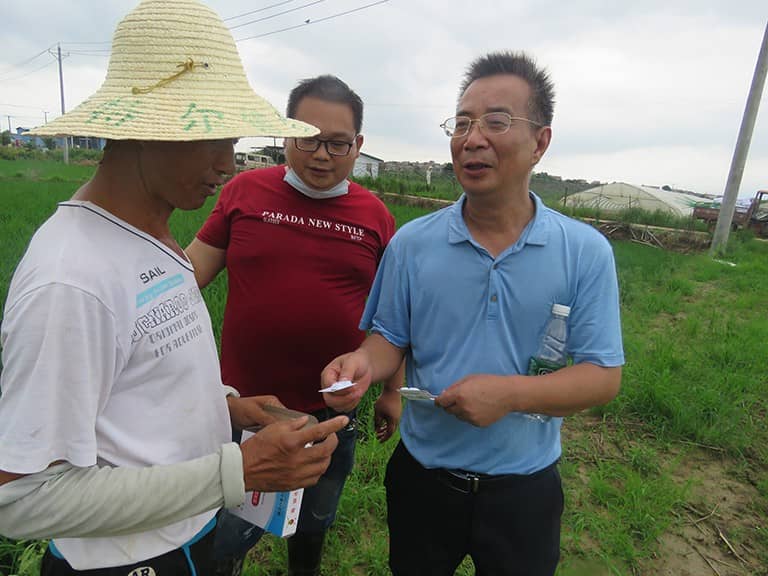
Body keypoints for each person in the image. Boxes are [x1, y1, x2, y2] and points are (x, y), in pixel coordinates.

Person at [0, 1, 349, 574]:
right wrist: (238, 471)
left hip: (188, 536)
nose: (228, 163)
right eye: (211, 138)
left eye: (233, 140)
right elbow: (22, 497)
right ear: (141, 130)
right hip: (125, 561)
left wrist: (227, 407)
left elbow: (139, 384)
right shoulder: (72, 280)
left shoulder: (154, 236)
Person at [321, 51, 625, 576]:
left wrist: (509, 395)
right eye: (461, 123)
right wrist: (362, 364)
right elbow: (389, 337)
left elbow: (602, 375)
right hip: (423, 477)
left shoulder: (584, 251)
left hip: (525, 489)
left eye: (496, 121)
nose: (472, 138)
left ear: (540, 142)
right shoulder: (413, 243)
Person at [186, 74, 405, 576]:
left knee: (313, 525)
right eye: (308, 138)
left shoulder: (374, 216)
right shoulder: (244, 192)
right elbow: (188, 275)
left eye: (337, 143)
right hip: (241, 410)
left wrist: (394, 390)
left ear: (358, 145)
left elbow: (393, 317)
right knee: (223, 536)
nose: (322, 155)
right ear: (286, 134)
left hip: (329, 415)